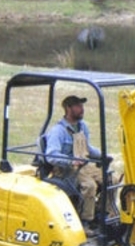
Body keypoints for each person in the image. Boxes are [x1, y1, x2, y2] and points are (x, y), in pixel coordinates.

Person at [44, 95, 104, 235]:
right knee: (89, 186)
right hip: (67, 169)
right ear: (68, 108)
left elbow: (87, 148)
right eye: (78, 106)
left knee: (111, 180)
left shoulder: (82, 126)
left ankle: (102, 213)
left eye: (82, 106)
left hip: (84, 166)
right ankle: (85, 222)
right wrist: (71, 161)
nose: (82, 109)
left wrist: (103, 155)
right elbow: (51, 155)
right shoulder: (58, 131)